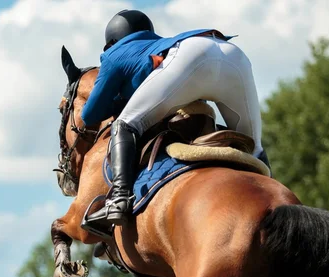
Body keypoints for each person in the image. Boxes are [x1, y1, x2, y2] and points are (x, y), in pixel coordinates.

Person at [82, 9, 270, 229]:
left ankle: (118, 199)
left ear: (112, 41)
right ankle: (273, 204)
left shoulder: (114, 54)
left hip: (192, 56)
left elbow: (89, 115)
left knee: (125, 124)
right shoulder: (158, 44)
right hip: (233, 54)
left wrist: (118, 99)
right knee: (254, 148)